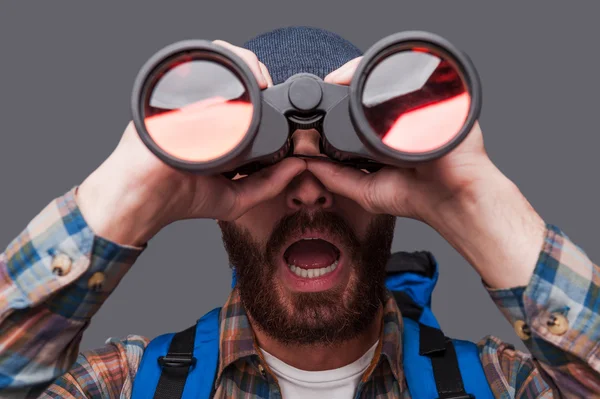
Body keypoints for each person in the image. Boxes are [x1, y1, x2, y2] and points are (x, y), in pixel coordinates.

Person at [0, 26, 598, 399]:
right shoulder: (124, 386)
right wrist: (121, 200)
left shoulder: (503, 386)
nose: (309, 193)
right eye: (264, 164)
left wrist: (479, 202)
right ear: (215, 184)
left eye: (348, 163)